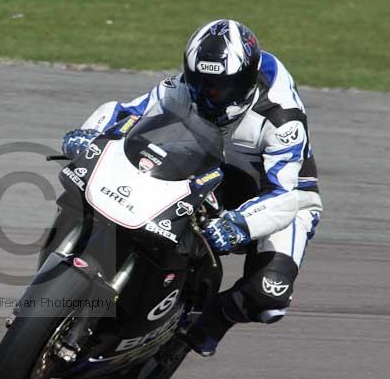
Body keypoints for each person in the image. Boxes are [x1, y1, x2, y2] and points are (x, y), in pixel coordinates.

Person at [61, 19, 323, 356]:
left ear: (244, 81)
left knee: (268, 295)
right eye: (201, 83)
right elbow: (126, 112)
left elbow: (283, 197)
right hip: (208, 159)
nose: (208, 95)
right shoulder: (186, 87)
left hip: (274, 189)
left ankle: (212, 321)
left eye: (220, 88)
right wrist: (88, 135)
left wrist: (240, 224)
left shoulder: (280, 120)